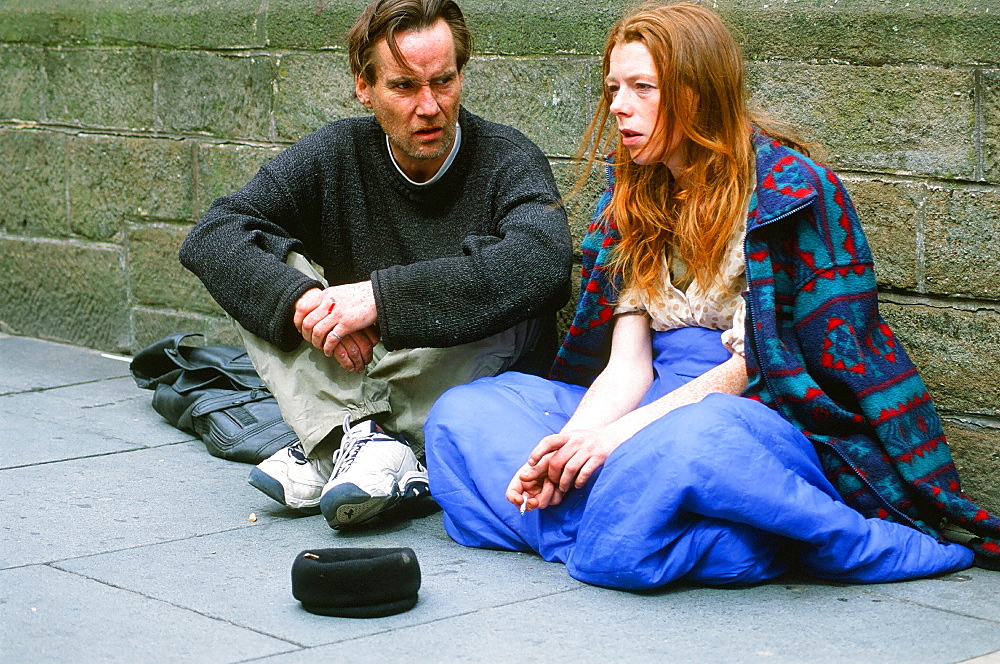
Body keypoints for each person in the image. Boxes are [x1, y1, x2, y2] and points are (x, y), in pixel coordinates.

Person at [424, 1, 1000, 590]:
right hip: (648, 408)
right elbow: (628, 366)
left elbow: (755, 370)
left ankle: (848, 541)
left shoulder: (788, 196)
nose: (619, 105)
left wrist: (611, 442)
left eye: (642, 88)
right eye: (614, 87)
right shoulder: (632, 201)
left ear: (697, 93)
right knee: (462, 415)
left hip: (746, 418)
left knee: (692, 445)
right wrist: (573, 447)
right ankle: (626, 528)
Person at [179, 0, 572, 531]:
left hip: (458, 373)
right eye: (404, 87)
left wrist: (379, 300)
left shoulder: (506, 157)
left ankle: (337, 441)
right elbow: (213, 233)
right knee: (267, 274)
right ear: (364, 88)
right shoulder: (337, 153)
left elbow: (544, 262)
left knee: (508, 284)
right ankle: (364, 444)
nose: (430, 106)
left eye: (444, 81)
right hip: (368, 361)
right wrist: (302, 303)